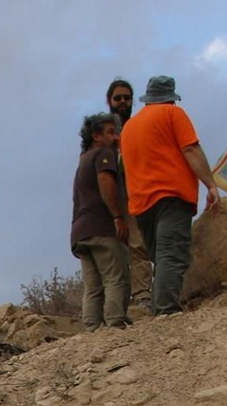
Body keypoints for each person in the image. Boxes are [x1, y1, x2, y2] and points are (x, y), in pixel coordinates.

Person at [119, 75, 222, 316]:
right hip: (171, 196)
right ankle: (166, 312)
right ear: (171, 98)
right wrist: (211, 185)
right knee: (171, 254)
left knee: (160, 258)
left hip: (141, 205)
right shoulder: (174, 114)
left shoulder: (129, 128)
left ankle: (160, 309)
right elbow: (190, 149)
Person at [72, 112, 132, 329]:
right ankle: (116, 324)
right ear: (96, 136)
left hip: (80, 232)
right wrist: (118, 216)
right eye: (110, 132)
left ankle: (92, 330)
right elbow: (105, 181)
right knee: (116, 277)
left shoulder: (82, 162)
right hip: (101, 227)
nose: (116, 138)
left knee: (93, 286)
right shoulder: (103, 155)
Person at [105, 77, 155, 315]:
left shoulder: (138, 125)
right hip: (111, 192)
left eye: (127, 98)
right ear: (109, 101)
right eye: (118, 98)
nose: (123, 102)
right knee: (112, 249)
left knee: (138, 243)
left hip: (137, 187)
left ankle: (143, 295)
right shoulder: (102, 131)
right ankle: (115, 305)